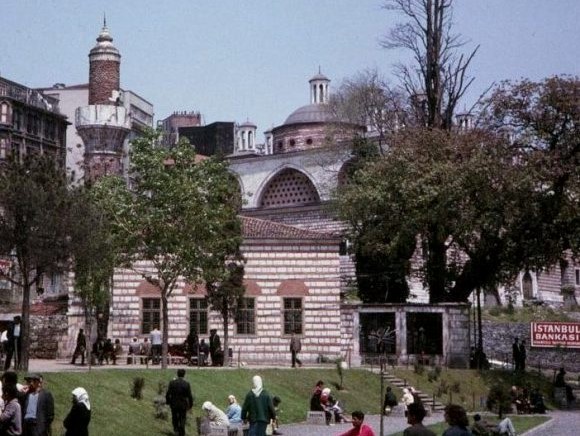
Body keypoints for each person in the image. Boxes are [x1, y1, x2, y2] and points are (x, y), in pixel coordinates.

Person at [165, 369, 194, 436]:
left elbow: (168, 393)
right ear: (184, 375)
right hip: (183, 404)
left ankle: (176, 429)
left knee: (174, 417)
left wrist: (168, 401)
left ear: (177, 374)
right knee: (182, 418)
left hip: (174, 403)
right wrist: (190, 405)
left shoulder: (172, 383)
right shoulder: (186, 384)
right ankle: (182, 430)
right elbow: (189, 396)